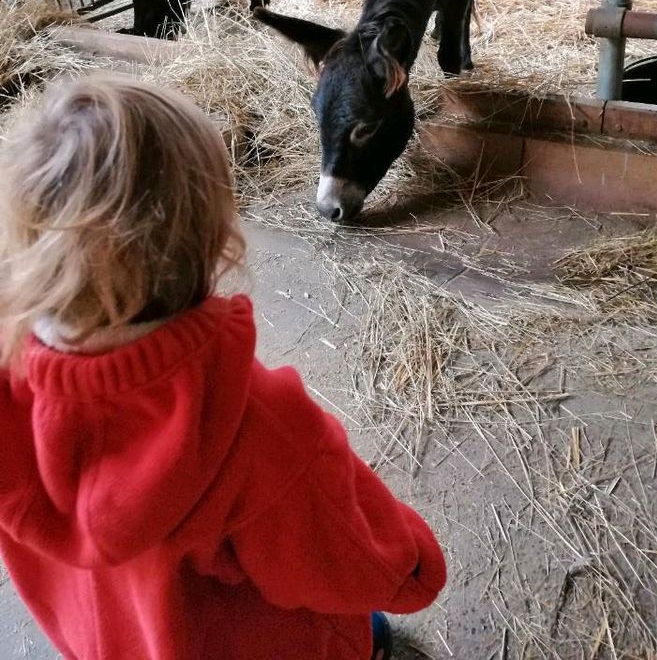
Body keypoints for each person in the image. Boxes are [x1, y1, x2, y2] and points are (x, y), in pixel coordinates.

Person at [0, 73, 446, 660]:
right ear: (215, 242)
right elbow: (378, 567)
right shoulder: (256, 425)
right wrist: (412, 557)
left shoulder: (12, 397)